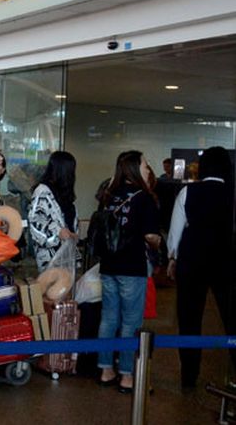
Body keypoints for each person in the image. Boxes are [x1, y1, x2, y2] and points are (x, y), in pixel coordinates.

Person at [167, 146, 234, 389]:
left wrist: (172, 258)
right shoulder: (232, 192)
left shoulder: (188, 191)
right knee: (231, 317)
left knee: (189, 318)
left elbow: (175, 232)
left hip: (192, 261)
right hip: (226, 261)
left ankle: (189, 376)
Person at [96, 150, 160, 394]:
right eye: (145, 164)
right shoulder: (144, 197)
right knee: (131, 321)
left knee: (109, 317)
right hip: (132, 266)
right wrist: (159, 245)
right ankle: (126, 375)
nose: (147, 167)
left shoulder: (108, 194)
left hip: (108, 265)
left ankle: (105, 369)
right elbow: (150, 235)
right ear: (134, 168)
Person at [28, 151, 79, 272]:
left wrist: (74, 233)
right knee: (52, 289)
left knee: (66, 288)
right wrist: (58, 232)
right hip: (50, 257)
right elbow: (35, 222)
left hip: (67, 254)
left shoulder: (65, 192)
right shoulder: (42, 191)